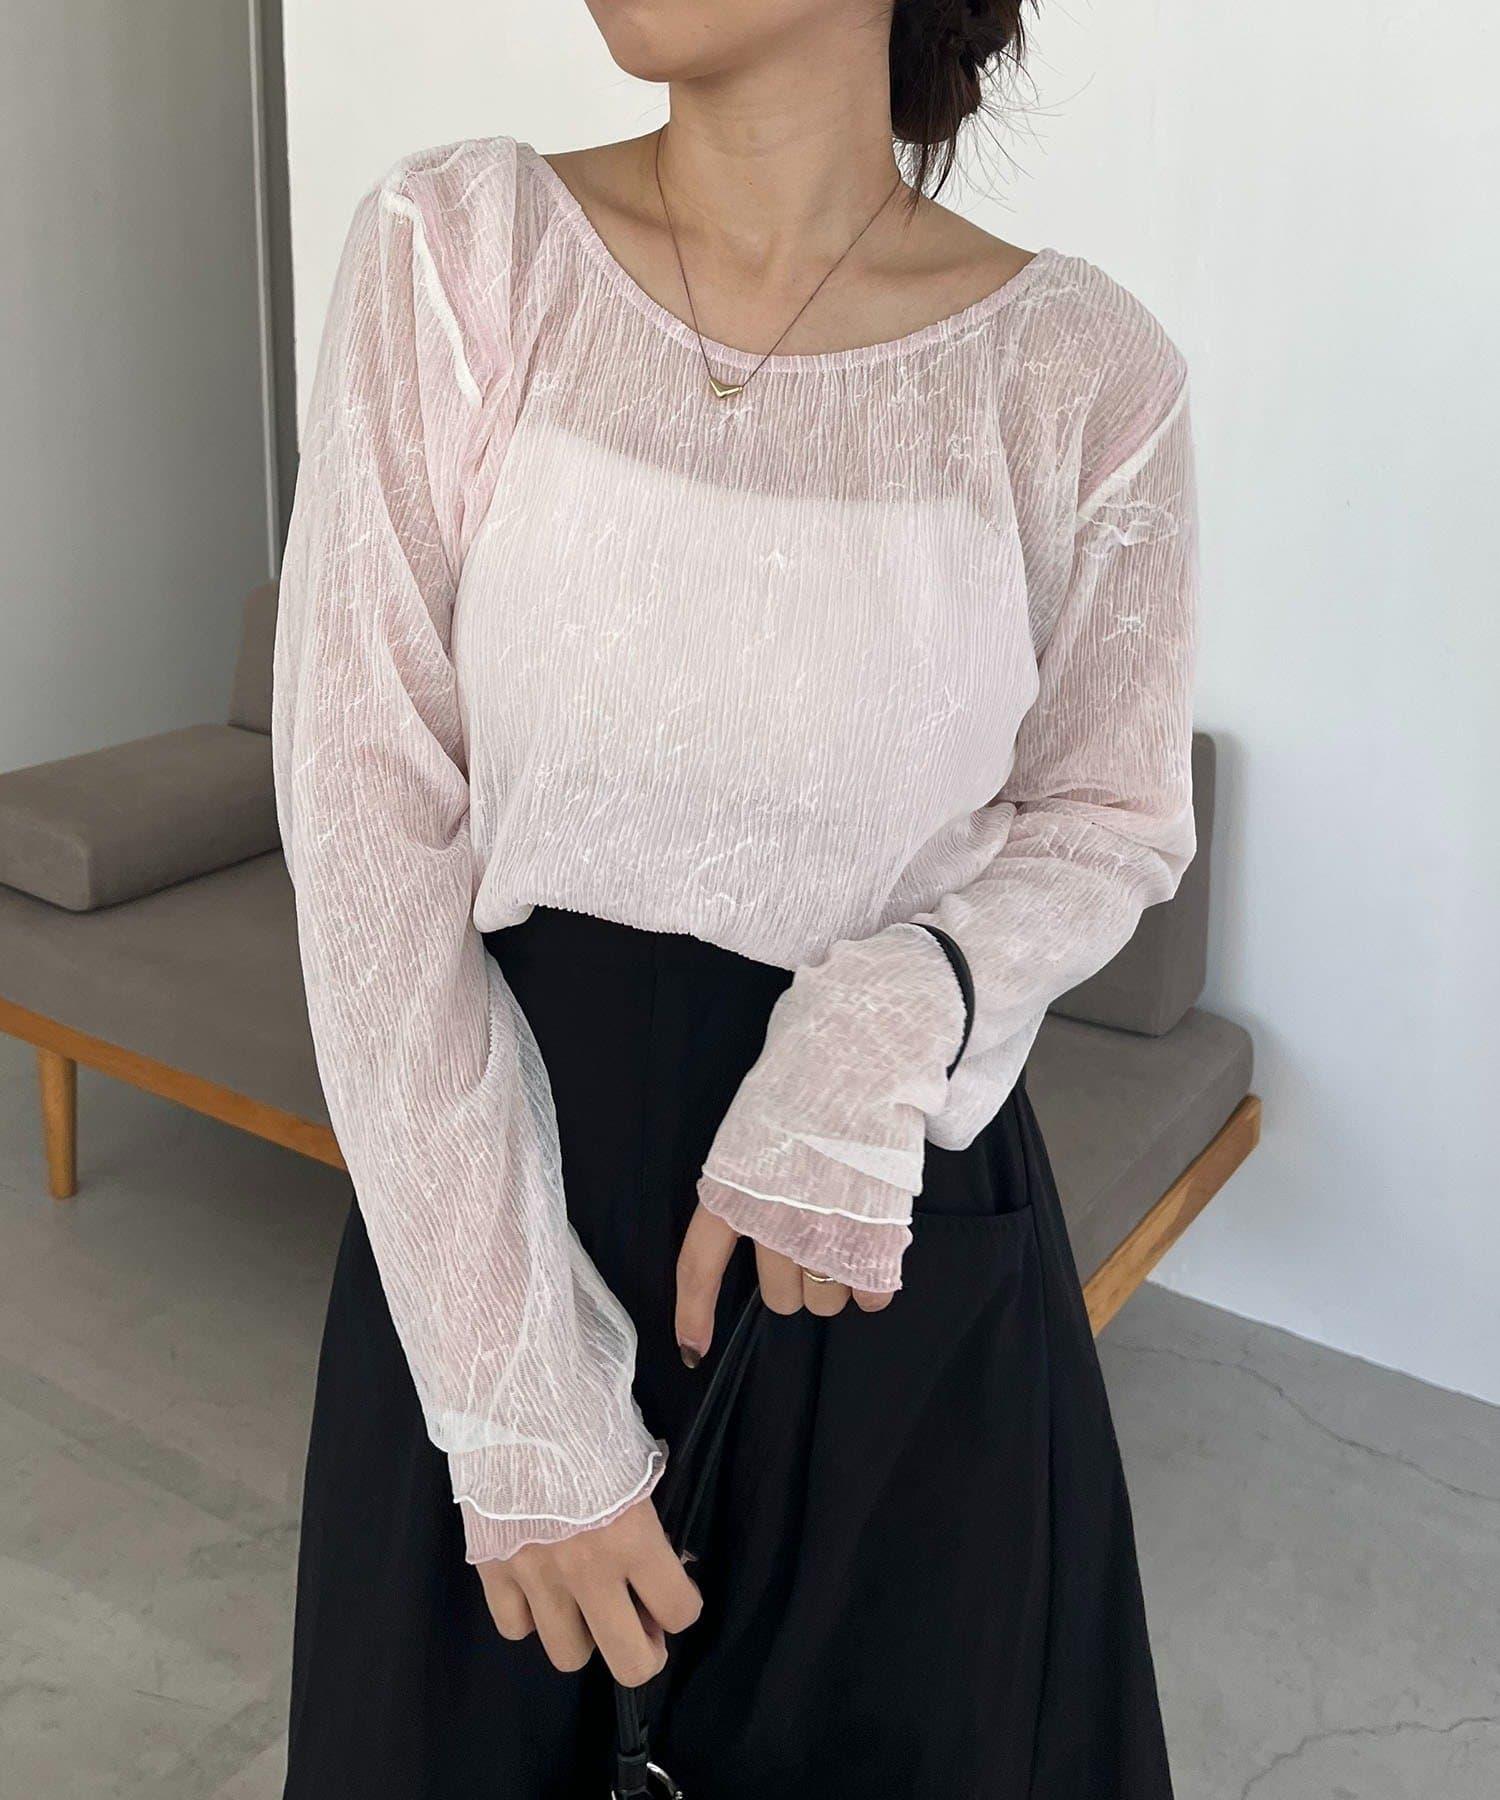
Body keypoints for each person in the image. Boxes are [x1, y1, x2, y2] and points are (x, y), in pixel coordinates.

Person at [272, 1, 1198, 1793]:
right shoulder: (460, 250)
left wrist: (894, 1010)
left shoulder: (1084, 368)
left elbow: (1110, 809)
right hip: (492, 1219)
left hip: (873, 1237)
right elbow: (362, 812)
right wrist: (517, 1393)